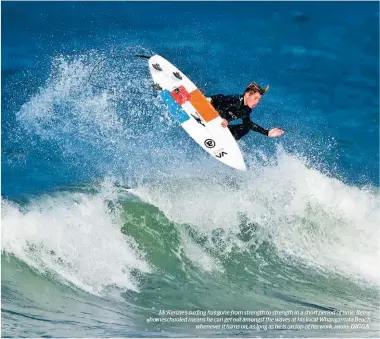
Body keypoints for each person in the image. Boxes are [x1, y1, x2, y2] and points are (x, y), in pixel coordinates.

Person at [207, 82, 284, 140]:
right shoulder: (236, 99)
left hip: (219, 126)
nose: (257, 102)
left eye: (259, 100)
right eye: (255, 98)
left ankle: (227, 140)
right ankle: (207, 101)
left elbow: (248, 124)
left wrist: (267, 132)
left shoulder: (246, 110)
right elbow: (221, 98)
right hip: (209, 114)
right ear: (247, 94)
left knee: (246, 127)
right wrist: (221, 117)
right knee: (218, 101)